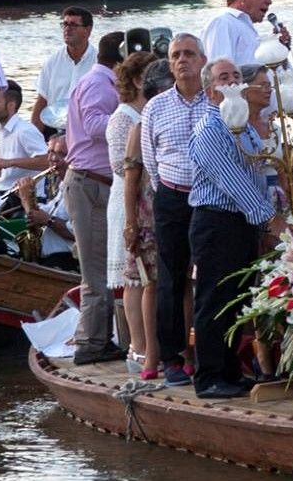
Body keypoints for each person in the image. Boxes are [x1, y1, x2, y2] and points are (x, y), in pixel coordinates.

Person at [186, 61, 282, 398]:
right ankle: (209, 375)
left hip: (241, 223)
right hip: (217, 221)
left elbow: (259, 171)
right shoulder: (209, 129)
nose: (233, 82)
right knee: (214, 299)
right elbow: (233, 181)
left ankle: (229, 369)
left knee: (236, 299)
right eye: (223, 78)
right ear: (210, 89)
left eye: (236, 77)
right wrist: (269, 218)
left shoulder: (242, 126)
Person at [138, 33, 211, 383]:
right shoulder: (155, 107)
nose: (182, 60)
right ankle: (172, 357)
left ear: (202, 60)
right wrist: (168, 189)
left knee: (210, 274)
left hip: (211, 199)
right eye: (176, 55)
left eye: (189, 54)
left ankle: (208, 353)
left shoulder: (215, 102)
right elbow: (150, 162)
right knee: (170, 277)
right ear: (169, 63)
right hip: (171, 196)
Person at [59, 31, 126, 365]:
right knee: (96, 269)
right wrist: (132, 116)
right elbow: (95, 124)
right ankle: (89, 343)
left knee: (103, 265)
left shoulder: (100, 81)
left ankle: (98, 338)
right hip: (90, 184)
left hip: (96, 183)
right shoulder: (101, 83)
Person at [105, 50, 157, 374]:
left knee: (146, 277)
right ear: (138, 80)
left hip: (149, 198)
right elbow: (121, 166)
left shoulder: (145, 113)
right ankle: (137, 346)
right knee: (134, 277)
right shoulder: (124, 117)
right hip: (129, 199)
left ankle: (149, 345)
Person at [201, 0, 288, 68]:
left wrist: (280, 47)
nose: (269, 1)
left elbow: (275, 75)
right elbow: (219, 73)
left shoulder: (247, 29)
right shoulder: (223, 22)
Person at [34, 6, 96, 137]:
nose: (67, 29)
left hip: (86, 130)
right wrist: (35, 137)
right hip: (54, 130)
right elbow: (41, 101)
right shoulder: (52, 61)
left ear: (87, 30)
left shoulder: (98, 61)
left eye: (73, 25)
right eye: (65, 24)